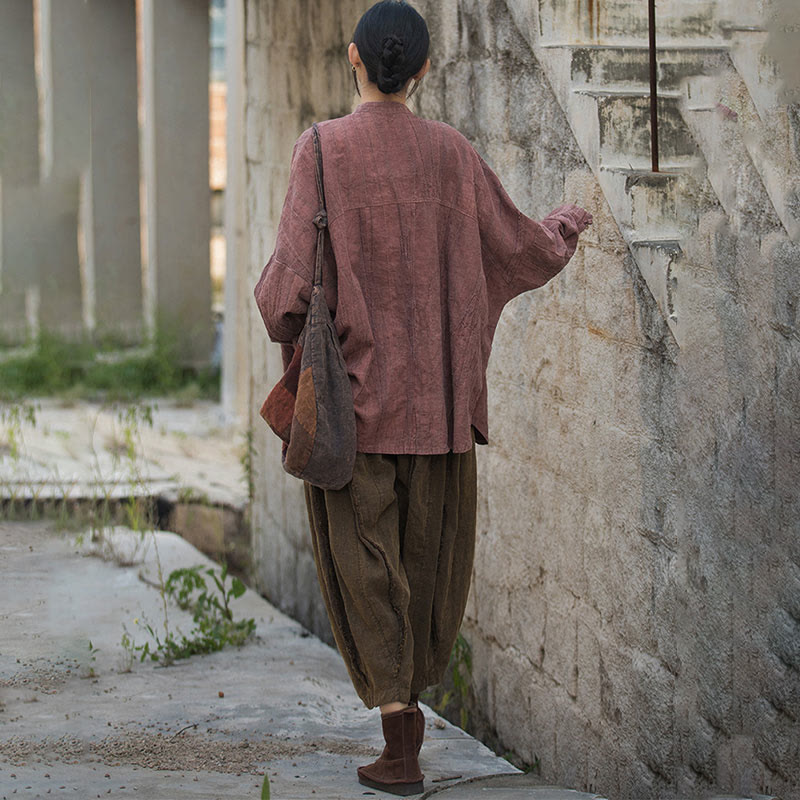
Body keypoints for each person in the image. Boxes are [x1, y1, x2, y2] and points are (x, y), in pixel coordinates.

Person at [253, 1, 592, 795]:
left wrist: (295, 335)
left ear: (353, 60)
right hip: (438, 411)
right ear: (427, 70)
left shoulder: (321, 152)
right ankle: (406, 733)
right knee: (428, 567)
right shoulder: (453, 155)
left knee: (365, 565)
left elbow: (284, 293)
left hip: (355, 414)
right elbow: (520, 247)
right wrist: (565, 225)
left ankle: (399, 739)